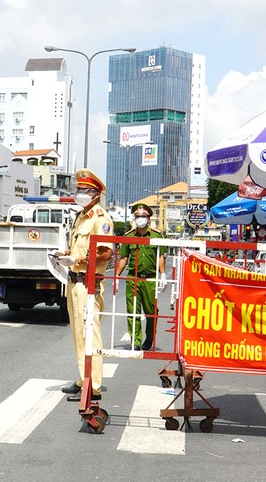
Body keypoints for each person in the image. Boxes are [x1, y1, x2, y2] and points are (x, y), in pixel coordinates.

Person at [54, 169, 114, 401]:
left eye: (83, 190)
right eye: (77, 189)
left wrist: (78, 261)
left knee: (91, 334)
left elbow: (105, 253)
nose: (78, 193)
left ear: (95, 194)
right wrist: (66, 254)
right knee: (78, 334)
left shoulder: (101, 219)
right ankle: (83, 377)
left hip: (89, 283)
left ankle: (94, 386)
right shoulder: (81, 216)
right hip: (74, 282)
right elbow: (81, 247)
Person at [115, 203, 166, 351]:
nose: (140, 219)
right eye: (138, 216)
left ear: (149, 219)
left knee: (151, 311)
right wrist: (117, 276)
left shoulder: (156, 235)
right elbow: (123, 257)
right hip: (133, 278)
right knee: (132, 311)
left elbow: (160, 256)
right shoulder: (129, 236)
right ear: (134, 218)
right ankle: (135, 341)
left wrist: (162, 274)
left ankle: (149, 338)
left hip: (150, 278)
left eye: (143, 216)